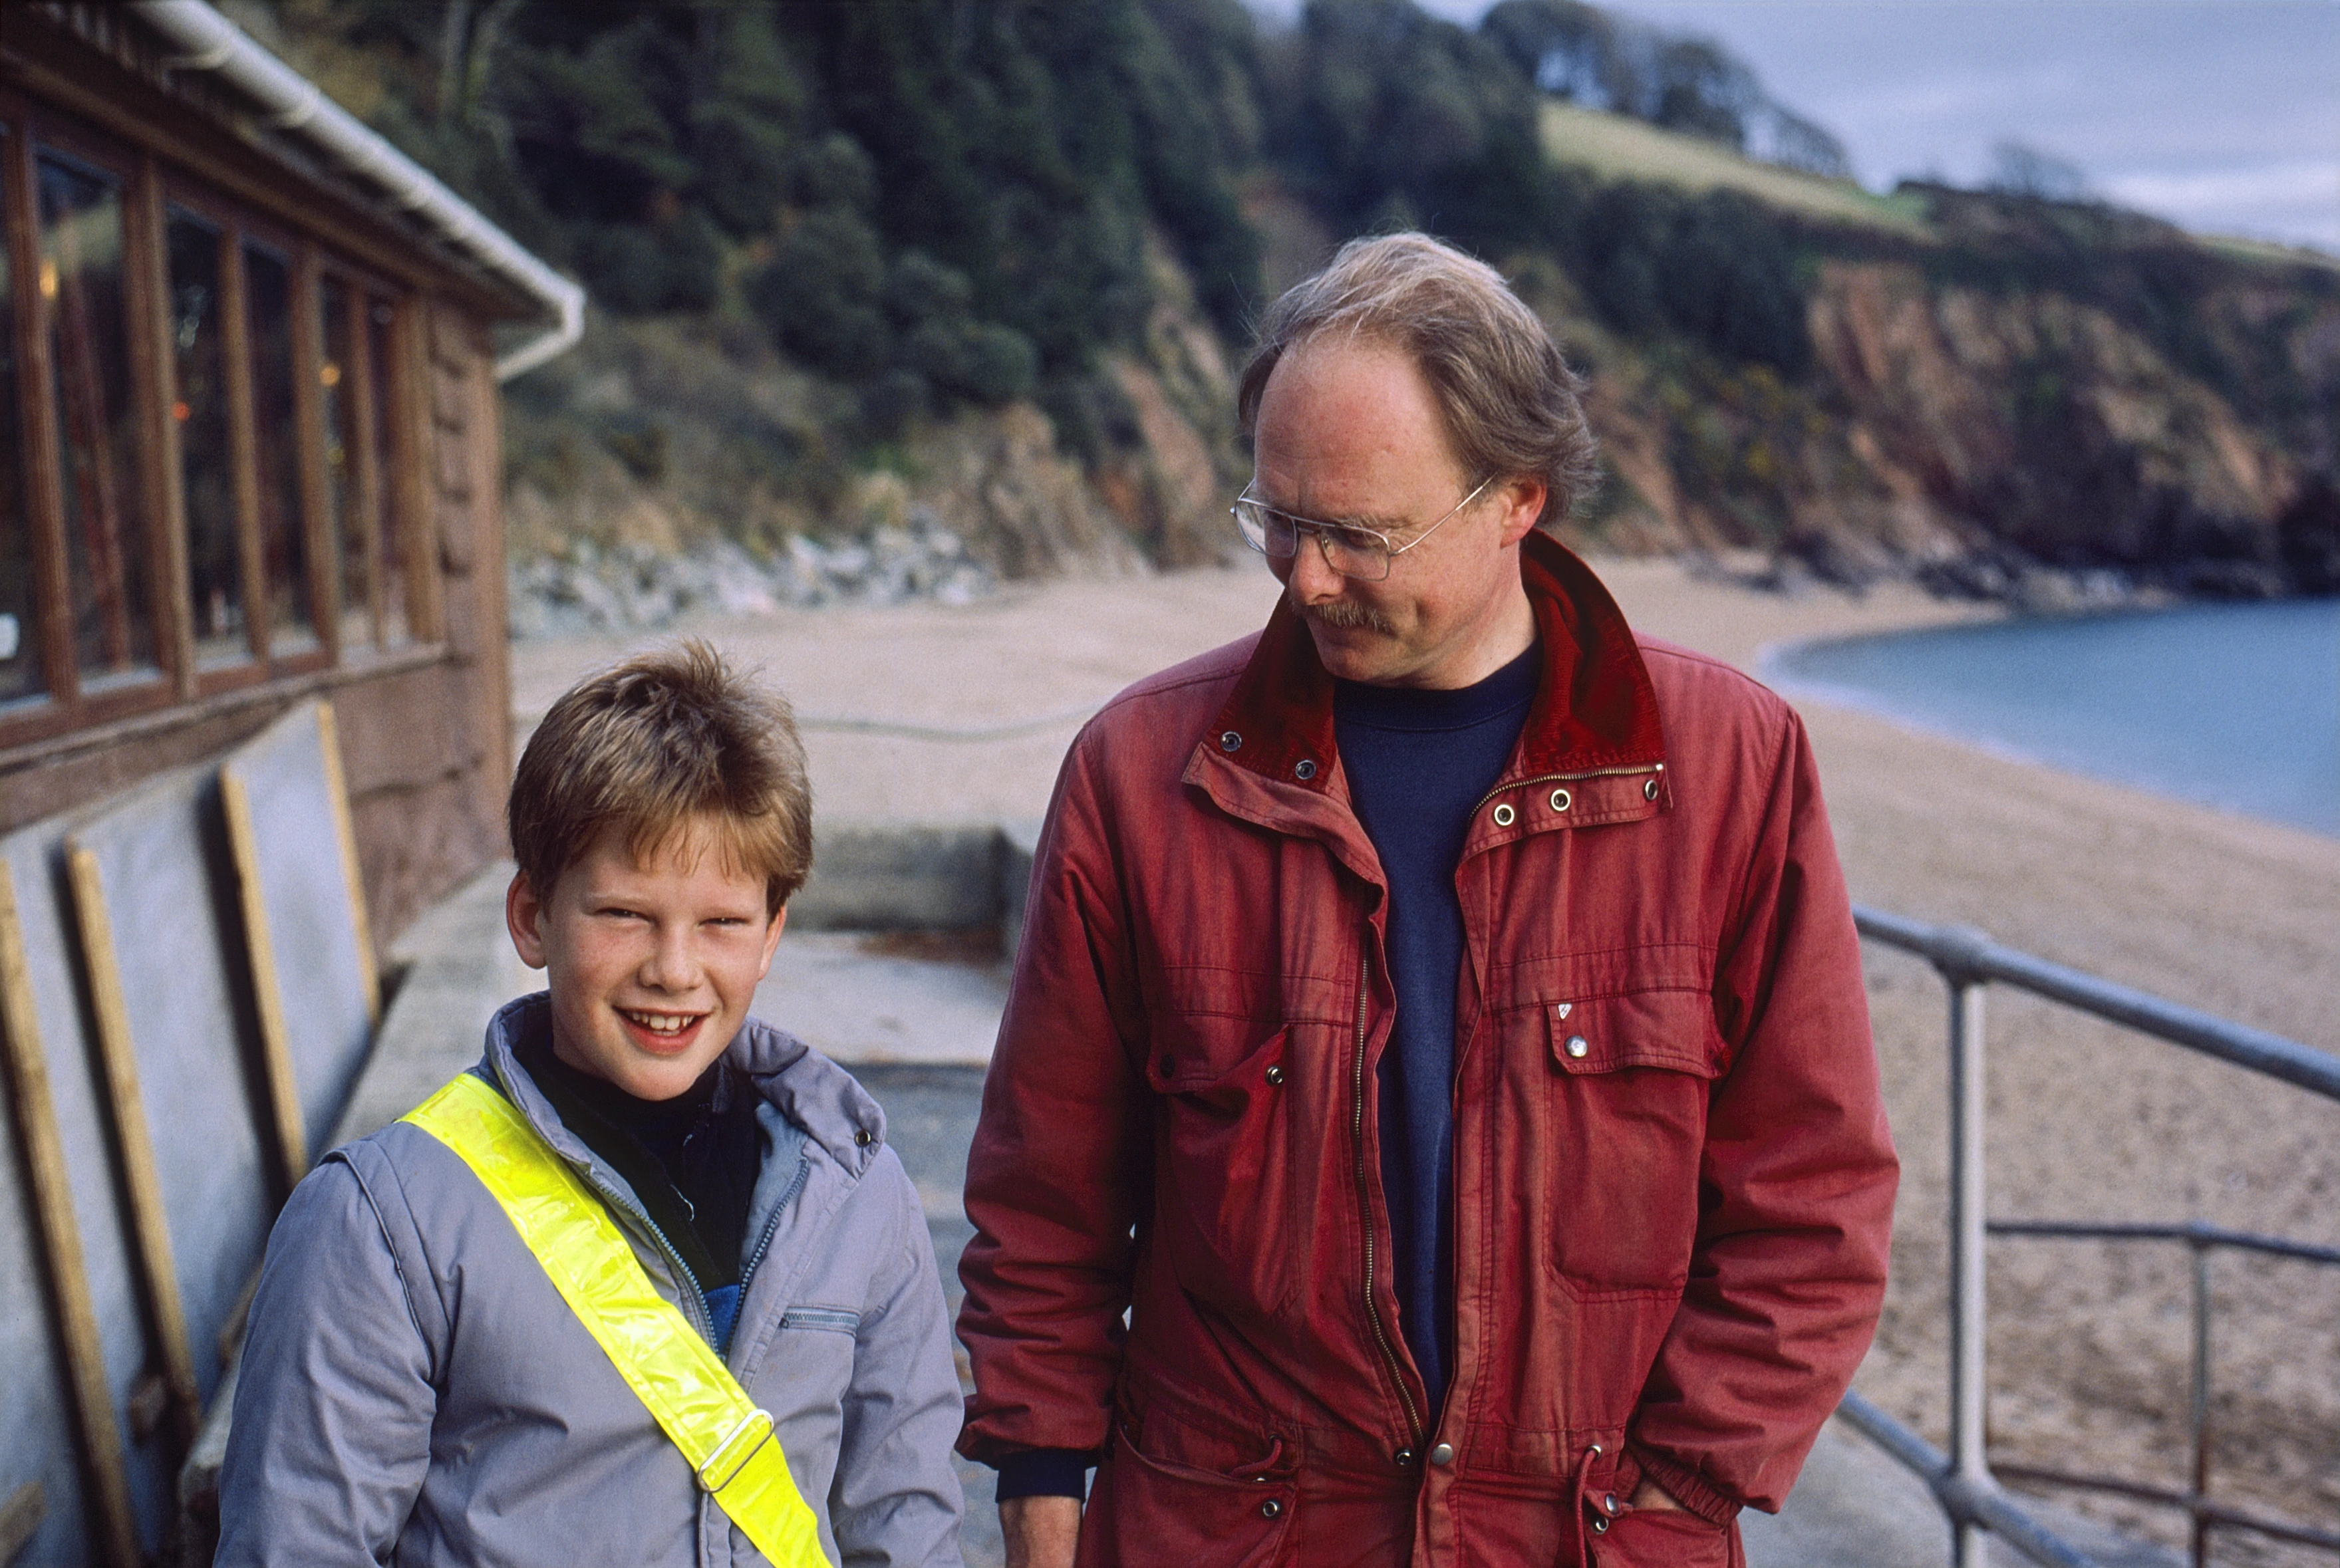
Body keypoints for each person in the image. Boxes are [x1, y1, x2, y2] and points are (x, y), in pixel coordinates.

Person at [954, 233, 1898, 1567]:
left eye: (1357, 533)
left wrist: (1680, 1494)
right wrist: (1039, 1473)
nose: (1303, 573)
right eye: (1276, 516)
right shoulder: (1138, 775)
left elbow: (1812, 1196)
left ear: (1515, 499)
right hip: (1220, 1534)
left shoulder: (1727, 767)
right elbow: (1046, 1186)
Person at [217, 642, 965, 1567]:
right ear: (532, 916)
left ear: (773, 933)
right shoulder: (380, 1224)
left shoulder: (860, 1194)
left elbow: (907, 1524)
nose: (675, 970)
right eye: (623, 914)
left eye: (723, 922)